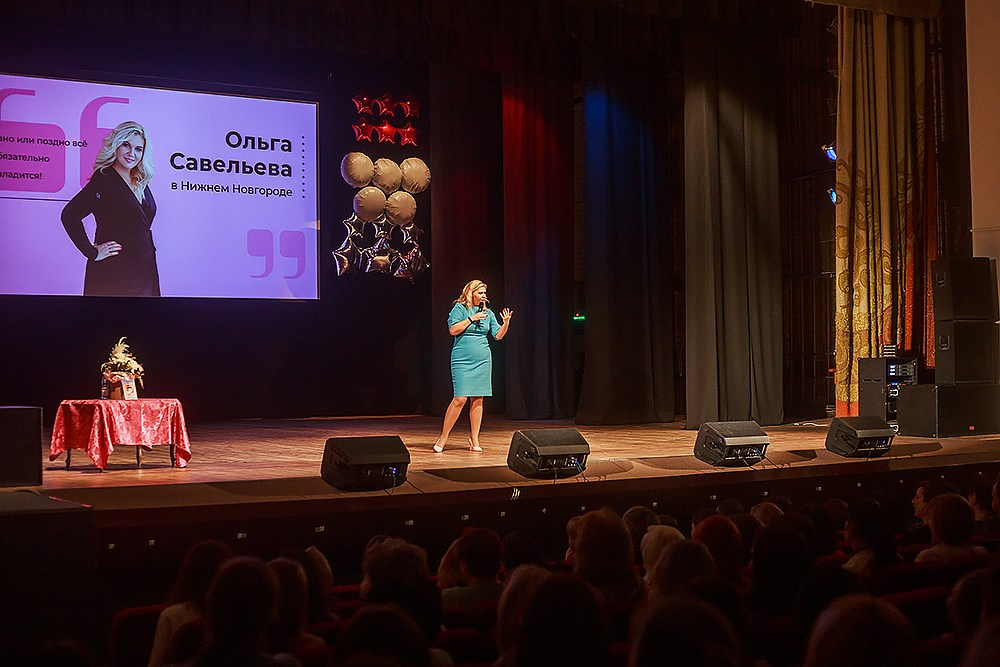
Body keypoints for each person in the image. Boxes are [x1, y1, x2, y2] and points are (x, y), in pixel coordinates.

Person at [61, 120, 159, 296]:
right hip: (114, 271)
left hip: (145, 270)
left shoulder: (141, 180)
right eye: (126, 145)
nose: (131, 154)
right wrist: (91, 252)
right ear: (116, 146)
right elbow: (70, 215)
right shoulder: (104, 178)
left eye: (138, 149)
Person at [434, 279, 513, 452]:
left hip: (483, 359)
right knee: (460, 398)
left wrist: (506, 323)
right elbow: (453, 330)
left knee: (478, 399)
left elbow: (497, 336)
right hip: (462, 359)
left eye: (485, 292)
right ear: (471, 293)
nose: (484, 295)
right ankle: (443, 437)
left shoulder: (488, 312)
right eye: (480, 292)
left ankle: (474, 439)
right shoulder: (460, 308)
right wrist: (471, 318)